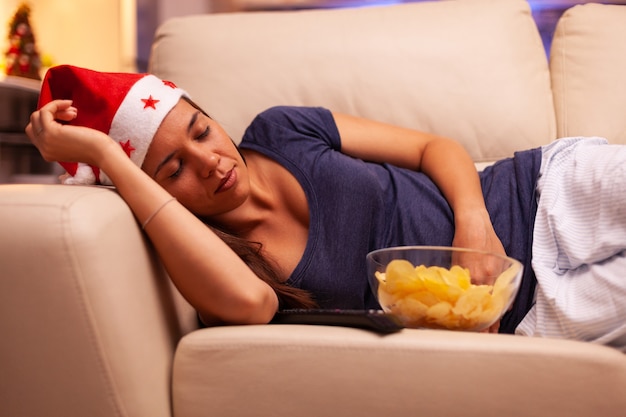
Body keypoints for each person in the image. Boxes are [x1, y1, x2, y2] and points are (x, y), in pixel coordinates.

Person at [26, 65, 626, 350]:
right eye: (172, 169)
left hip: (539, 192)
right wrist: (109, 158)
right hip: (525, 317)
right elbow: (251, 305)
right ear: (151, 189)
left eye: (201, 131)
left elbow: (431, 147)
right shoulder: (228, 267)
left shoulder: (281, 130)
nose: (210, 161)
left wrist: (477, 225)